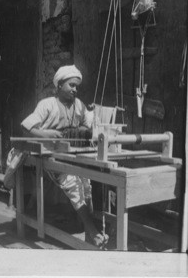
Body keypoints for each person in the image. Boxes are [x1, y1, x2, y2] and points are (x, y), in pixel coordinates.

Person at [20, 65, 108, 248]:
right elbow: (26, 126)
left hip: (72, 154)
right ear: (59, 85)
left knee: (86, 184)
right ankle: (92, 230)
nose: (75, 90)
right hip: (49, 154)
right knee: (72, 184)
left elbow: (89, 125)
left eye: (77, 86)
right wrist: (46, 134)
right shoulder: (47, 105)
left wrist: (89, 121)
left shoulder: (79, 105)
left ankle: (87, 225)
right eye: (71, 85)